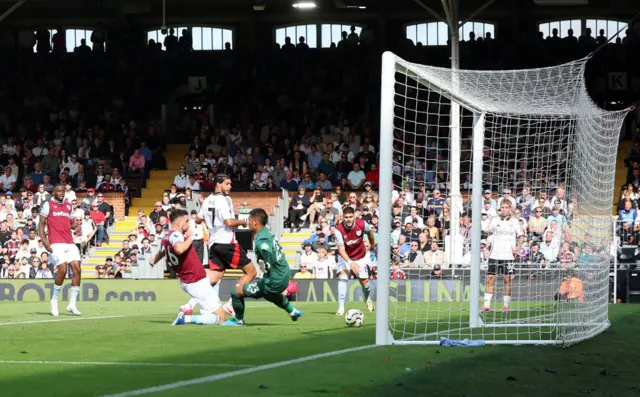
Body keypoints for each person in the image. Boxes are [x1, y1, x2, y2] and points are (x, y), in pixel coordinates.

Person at [180, 174, 257, 315]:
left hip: (214, 244)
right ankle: (231, 304)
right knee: (252, 272)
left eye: (230, 184)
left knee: (214, 277)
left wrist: (204, 206)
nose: (230, 186)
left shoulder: (208, 200)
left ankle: (189, 305)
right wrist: (245, 221)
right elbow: (229, 222)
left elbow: (197, 220)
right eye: (227, 184)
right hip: (227, 243)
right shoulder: (222, 200)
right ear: (218, 184)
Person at [221, 208, 302, 326]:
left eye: (249, 220)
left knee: (236, 292)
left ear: (255, 221)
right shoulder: (266, 232)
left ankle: (238, 320)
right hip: (284, 274)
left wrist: (266, 261)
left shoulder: (261, 240)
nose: (247, 222)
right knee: (270, 295)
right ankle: (292, 311)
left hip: (274, 280)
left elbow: (266, 249)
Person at [150, 209, 226, 326]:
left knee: (218, 275)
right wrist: (191, 238)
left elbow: (160, 253)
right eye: (186, 221)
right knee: (220, 318)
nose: (189, 223)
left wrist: (152, 261)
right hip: (195, 281)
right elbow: (179, 249)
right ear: (179, 223)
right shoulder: (176, 235)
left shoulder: (166, 238)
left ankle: (190, 306)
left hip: (191, 278)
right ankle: (187, 318)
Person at [38, 184, 83, 316]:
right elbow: (41, 225)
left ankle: (72, 304)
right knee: (62, 270)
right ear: (53, 193)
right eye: (58, 191)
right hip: (56, 243)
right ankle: (54, 300)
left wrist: (77, 227)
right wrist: (45, 242)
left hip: (69, 242)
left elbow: (72, 223)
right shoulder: (48, 205)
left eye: (63, 190)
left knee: (77, 270)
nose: (61, 192)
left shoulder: (69, 205)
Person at [482, 201, 523, 314]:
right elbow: (486, 231)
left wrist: (518, 247)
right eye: (502, 208)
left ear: (510, 208)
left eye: (506, 207)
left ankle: (505, 307)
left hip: (508, 256)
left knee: (507, 280)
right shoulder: (494, 220)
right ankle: (486, 305)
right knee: (490, 278)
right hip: (495, 254)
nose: (504, 210)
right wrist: (488, 242)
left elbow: (521, 236)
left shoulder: (515, 221)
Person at [334, 206, 376, 316]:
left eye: (350, 217)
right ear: (343, 217)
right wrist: (350, 263)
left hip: (360, 256)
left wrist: (372, 244)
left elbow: (370, 233)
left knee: (364, 282)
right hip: (345, 256)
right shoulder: (338, 230)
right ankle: (341, 308)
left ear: (354, 216)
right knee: (343, 278)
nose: (348, 219)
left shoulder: (362, 224)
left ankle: (367, 299)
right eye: (346, 217)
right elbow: (341, 250)